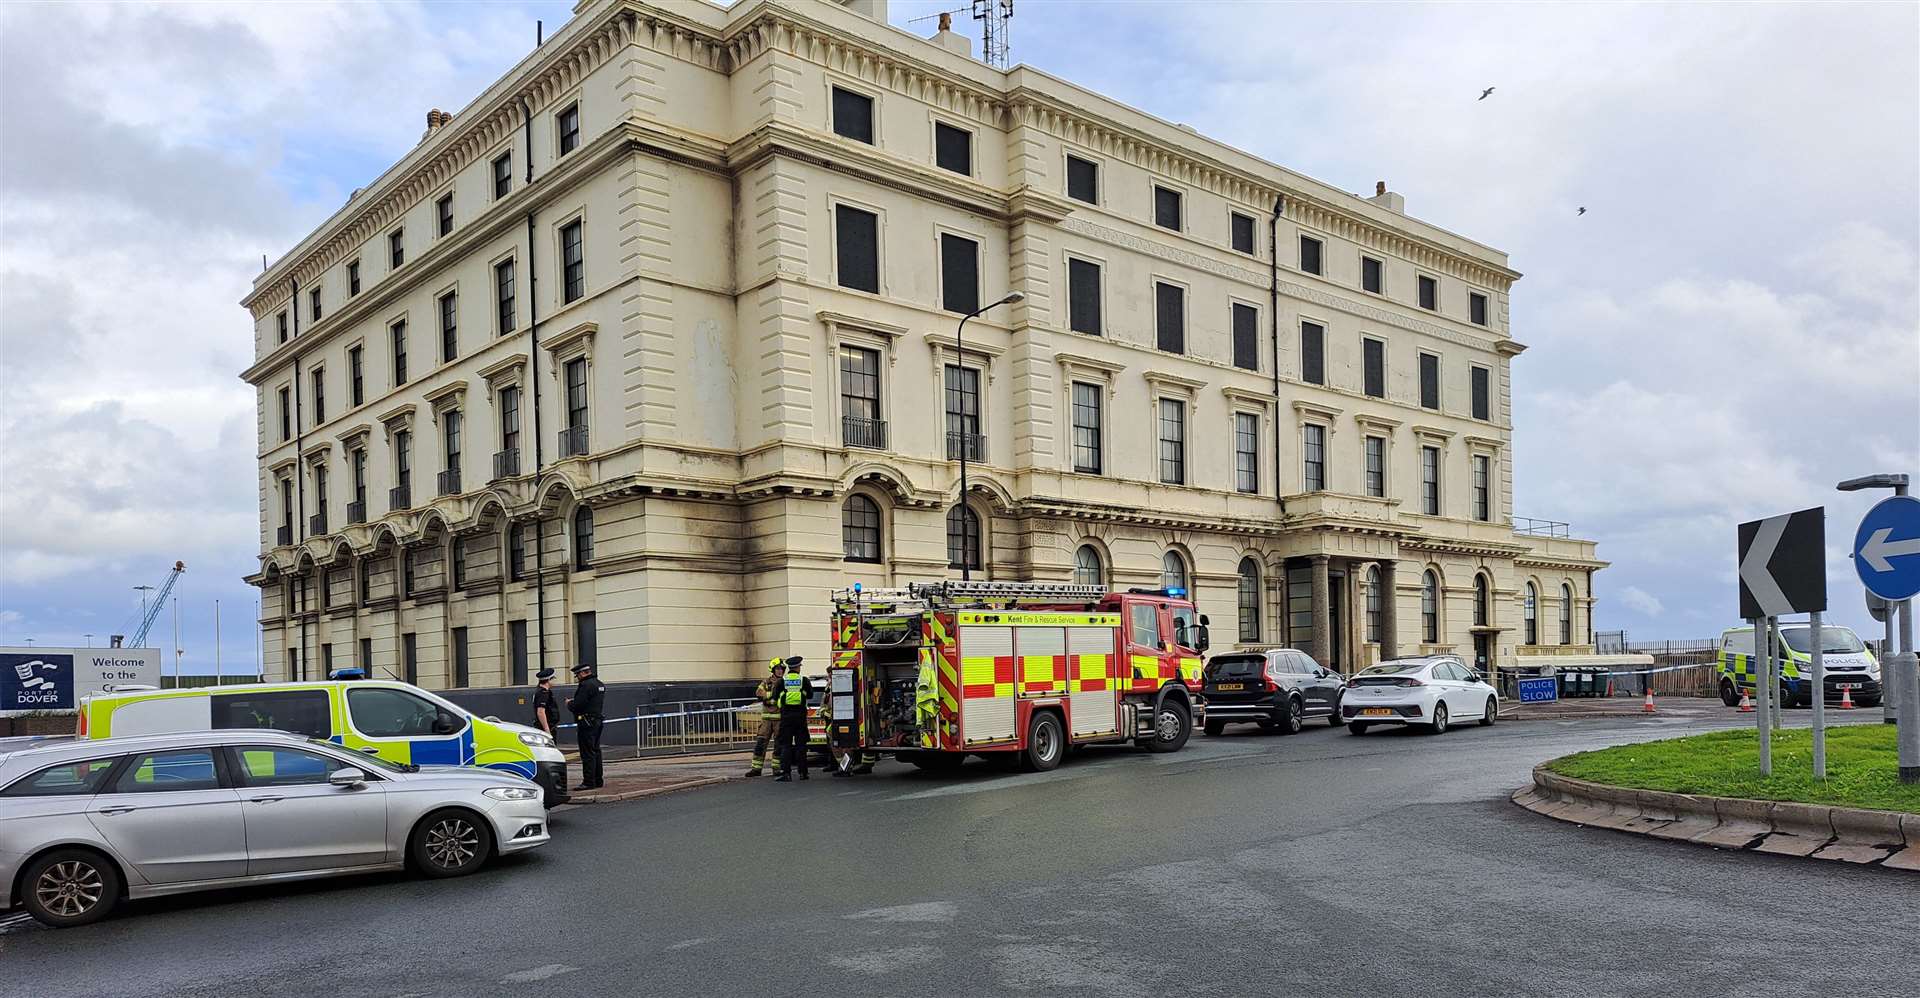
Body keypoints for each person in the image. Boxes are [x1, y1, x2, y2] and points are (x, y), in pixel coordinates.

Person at [566, 662, 606, 790]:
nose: (577, 678)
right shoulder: (599, 684)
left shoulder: (585, 685)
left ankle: (588, 781)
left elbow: (579, 705)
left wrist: (569, 704)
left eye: (577, 675)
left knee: (587, 752)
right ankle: (598, 780)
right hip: (597, 720)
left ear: (583, 673)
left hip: (586, 722)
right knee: (596, 751)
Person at [745, 658, 786, 778]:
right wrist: (772, 696)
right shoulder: (766, 682)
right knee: (760, 743)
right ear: (773, 670)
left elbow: (785, 698)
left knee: (779, 745)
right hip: (766, 721)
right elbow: (759, 693)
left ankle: (776, 768)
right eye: (778, 669)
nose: (780, 671)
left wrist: (770, 698)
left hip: (779, 720)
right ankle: (756, 768)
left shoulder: (785, 682)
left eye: (782, 669)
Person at [774, 655, 810, 782]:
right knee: (801, 746)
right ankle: (803, 773)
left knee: (786, 746)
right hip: (800, 716)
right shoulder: (803, 680)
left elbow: (774, 697)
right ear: (798, 667)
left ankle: (786, 774)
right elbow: (810, 695)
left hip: (786, 716)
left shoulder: (781, 681)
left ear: (789, 667)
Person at [531, 668, 560, 738]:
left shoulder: (544, 692)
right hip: (546, 729)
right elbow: (541, 712)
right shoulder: (543, 693)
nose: (555, 680)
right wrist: (547, 730)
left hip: (548, 727)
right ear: (549, 680)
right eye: (554, 678)